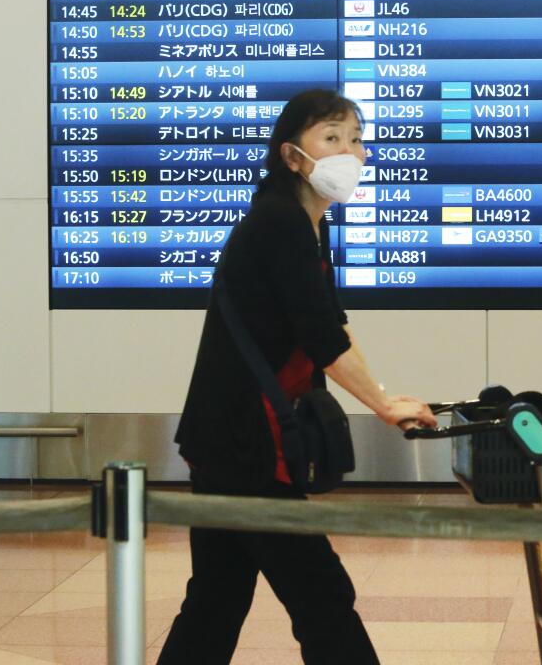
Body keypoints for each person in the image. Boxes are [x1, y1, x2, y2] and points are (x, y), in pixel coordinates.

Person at [158, 89, 438, 664]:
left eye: (355, 139)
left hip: (228, 441)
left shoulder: (305, 223)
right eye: (330, 138)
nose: (349, 152)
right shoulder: (281, 224)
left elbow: (331, 321)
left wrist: (382, 393)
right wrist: (383, 408)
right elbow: (323, 339)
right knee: (321, 593)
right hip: (247, 446)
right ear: (292, 156)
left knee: (216, 597)